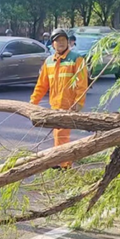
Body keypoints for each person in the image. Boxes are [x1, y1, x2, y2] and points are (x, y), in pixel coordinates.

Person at [30, 28, 88, 168]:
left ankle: (64, 164)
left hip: (69, 106)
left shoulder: (76, 59)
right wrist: (33, 102)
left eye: (63, 40)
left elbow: (82, 83)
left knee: (62, 135)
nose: (61, 43)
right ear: (53, 44)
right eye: (58, 41)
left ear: (68, 42)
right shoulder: (49, 61)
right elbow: (41, 85)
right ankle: (60, 161)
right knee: (58, 134)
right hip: (55, 105)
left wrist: (78, 102)